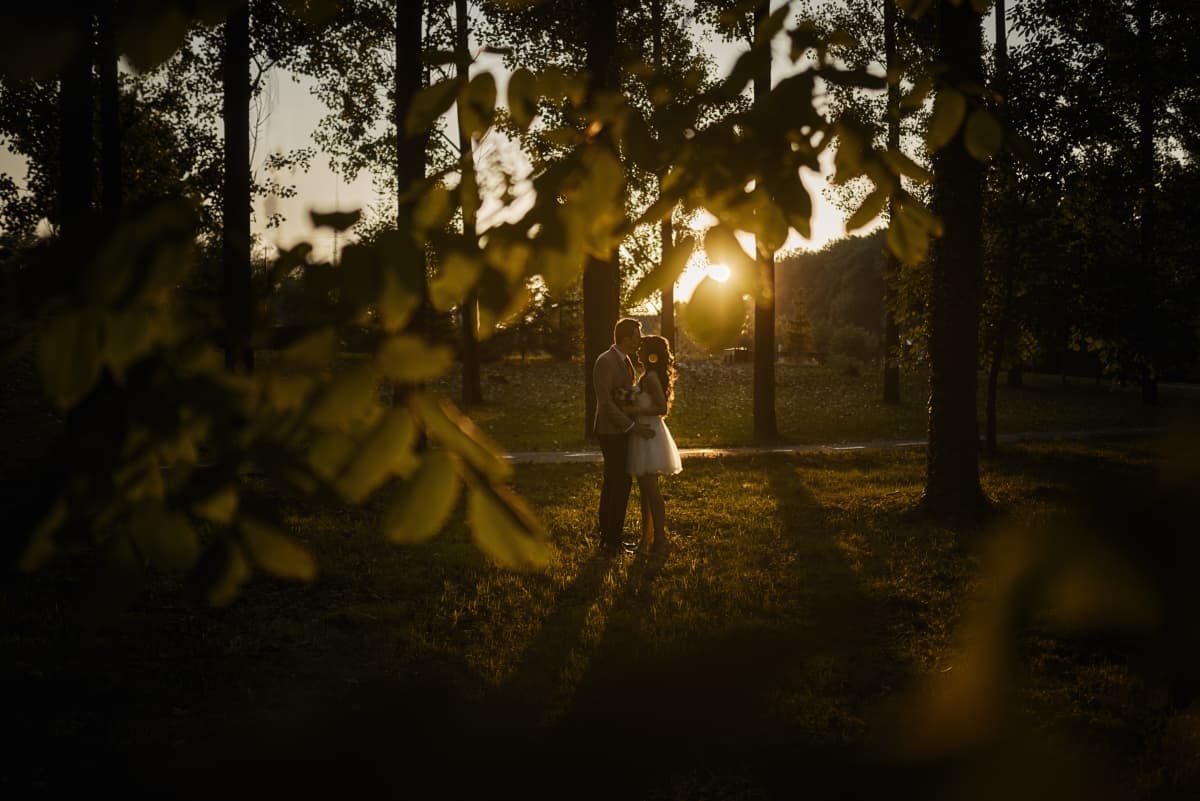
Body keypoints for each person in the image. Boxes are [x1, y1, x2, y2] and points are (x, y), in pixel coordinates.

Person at [593, 318, 655, 555]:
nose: (640, 340)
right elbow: (605, 403)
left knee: (616, 481)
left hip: (621, 430)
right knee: (618, 481)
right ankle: (611, 540)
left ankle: (610, 537)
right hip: (610, 430)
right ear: (626, 338)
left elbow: (622, 394)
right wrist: (631, 426)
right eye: (637, 336)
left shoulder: (626, 360)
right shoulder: (605, 361)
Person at [628, 334, 682, 556]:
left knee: (651, 490)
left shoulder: (650, 377)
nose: (637, 350)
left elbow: (661, 408)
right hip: (644, 431)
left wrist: (635, 409)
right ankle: (646, 539)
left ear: (650, 353)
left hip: (649, 433)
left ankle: (661, 540)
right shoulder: (647, 375)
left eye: (641, 348)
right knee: (645, 492)